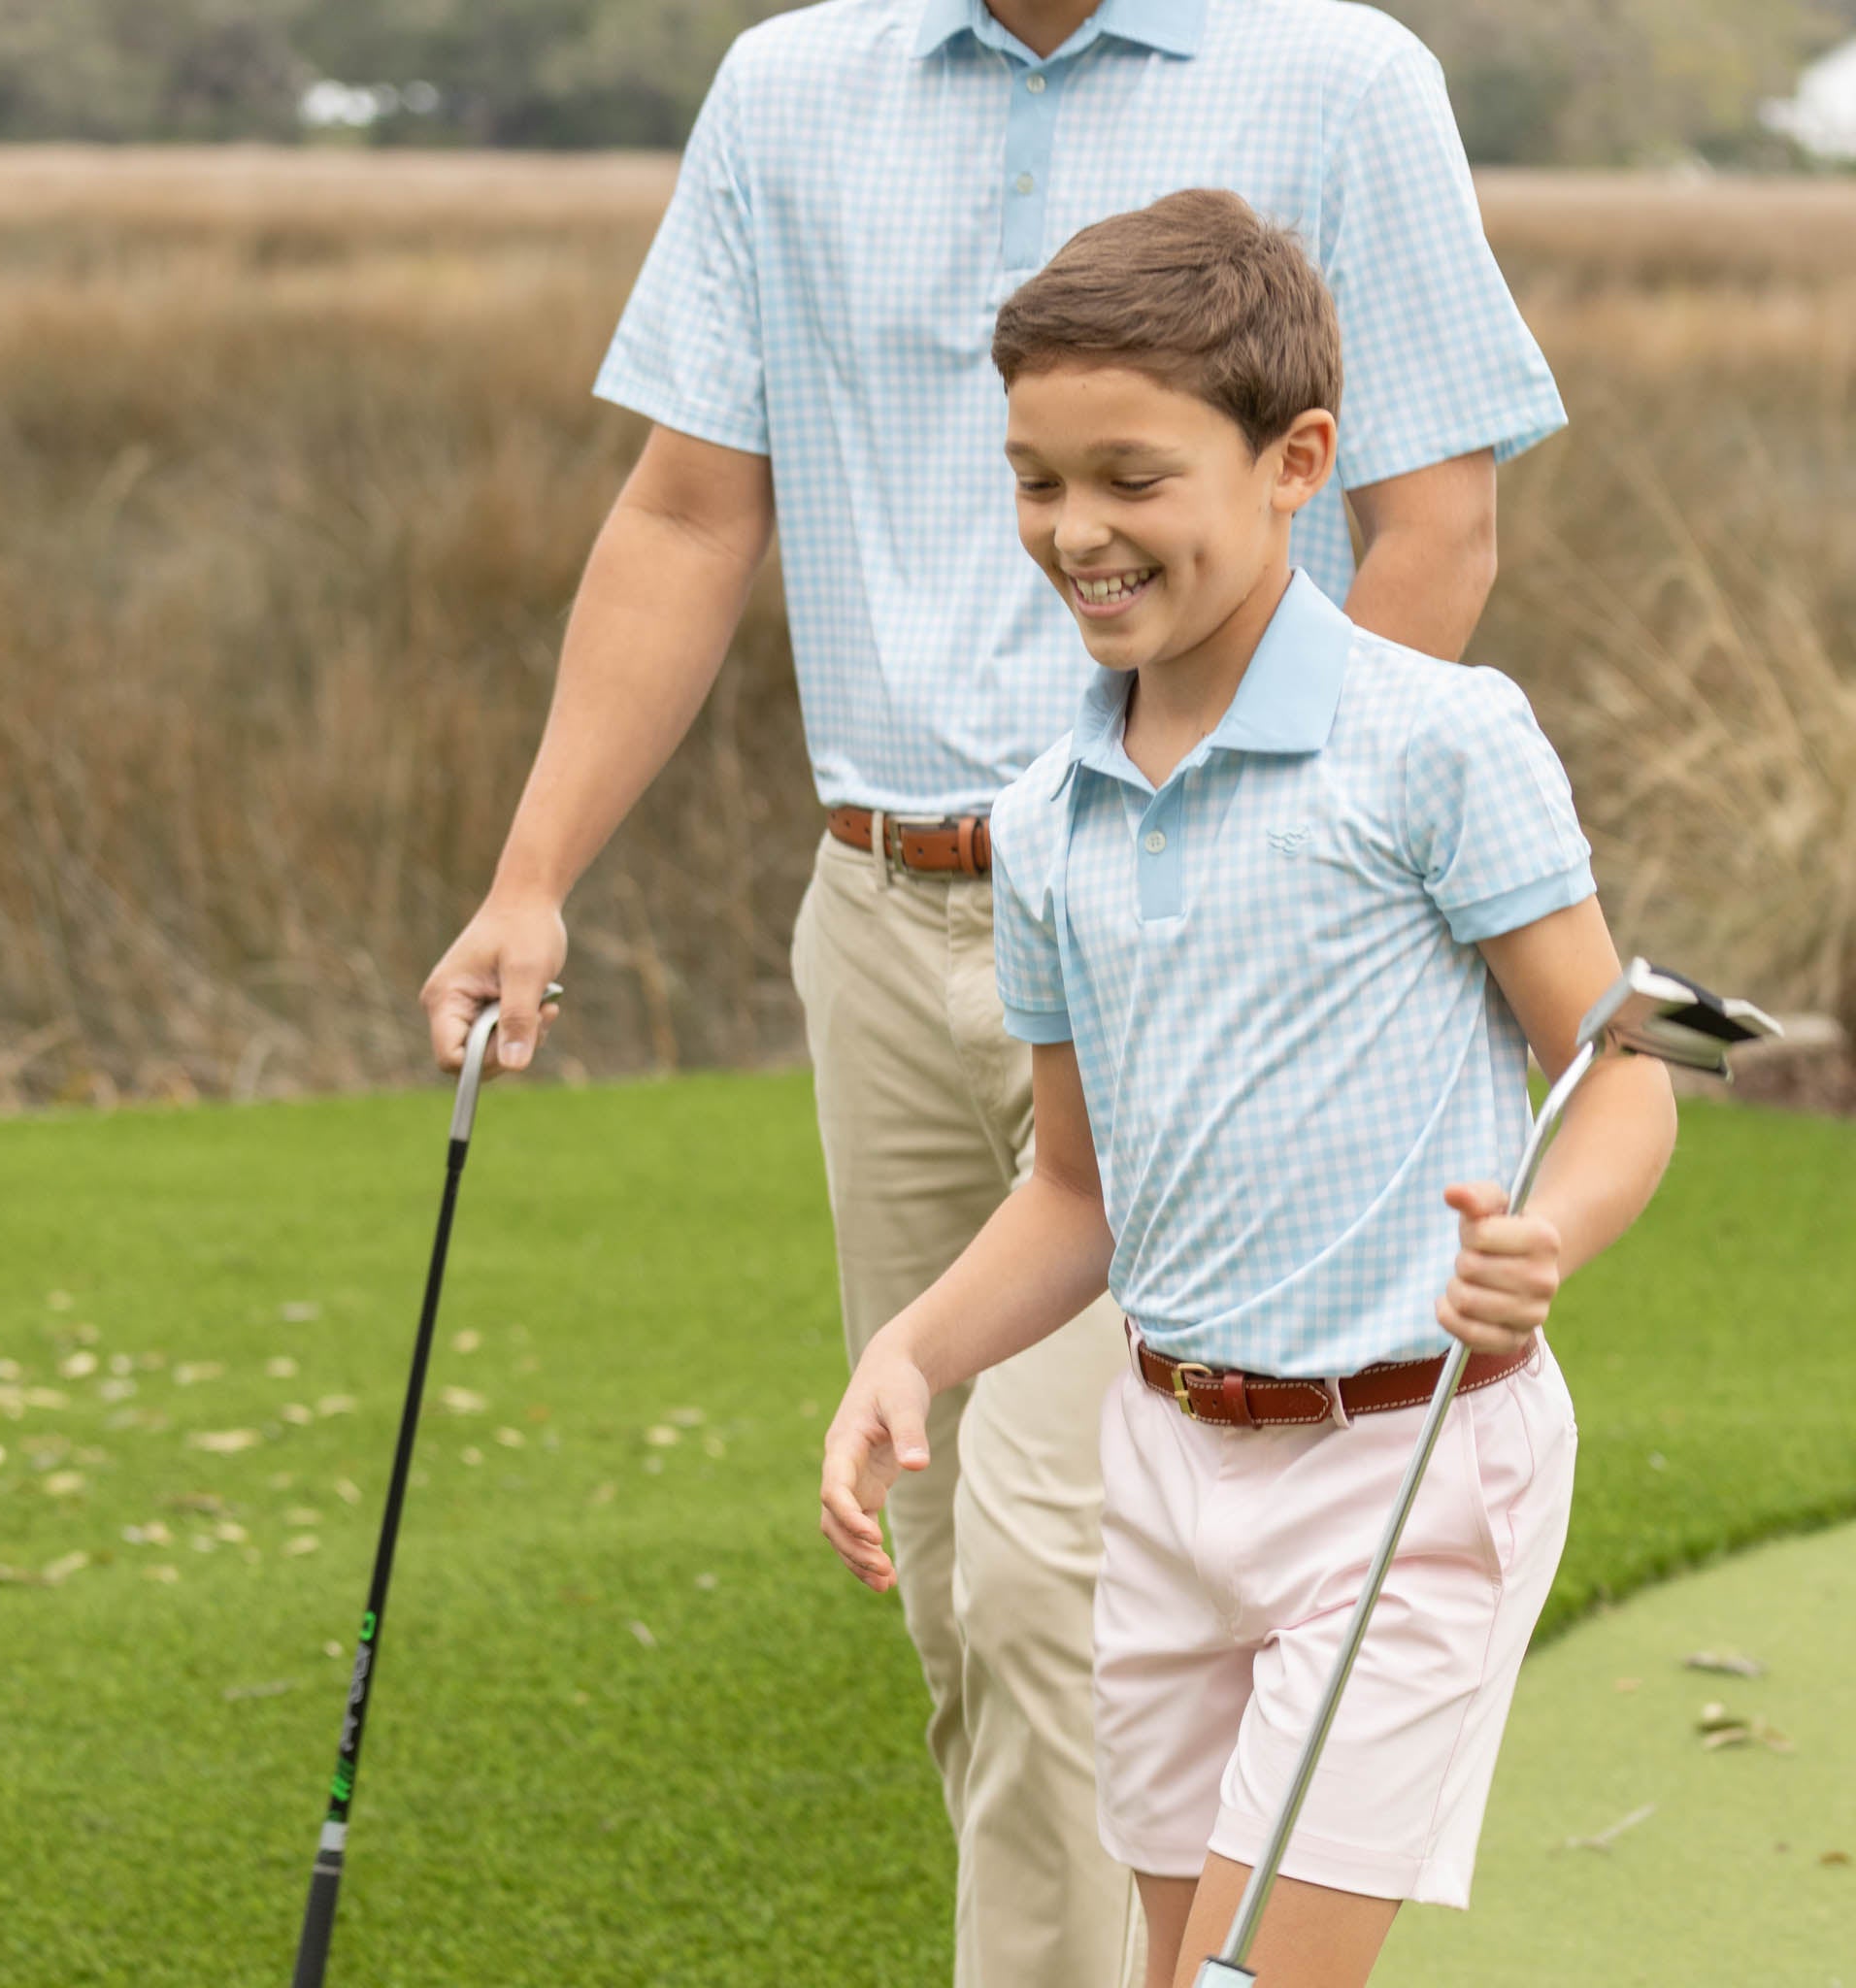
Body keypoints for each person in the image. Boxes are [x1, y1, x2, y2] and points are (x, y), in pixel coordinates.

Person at [419, 5, 1569, 1980]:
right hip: (881, 910)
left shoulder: (1342, 77)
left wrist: (1252, 866)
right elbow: (690, 509)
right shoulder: (787, 86)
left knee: (1060, 1578)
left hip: (1193, 939)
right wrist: (532, 874)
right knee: (956, 1580)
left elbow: (1431, 520)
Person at [818, 186, 1678, 1988]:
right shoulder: (1045, 821)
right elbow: (1077, 1190)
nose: (1077, 531)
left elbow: (1626, 1071)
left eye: (1134, 477)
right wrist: (912, 1352)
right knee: (1172, 1964)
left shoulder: (1440, 741)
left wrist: (1546, 1238)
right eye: (1038, 481)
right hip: (1169, 1462)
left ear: (1297, 461)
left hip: (1407, 1469)